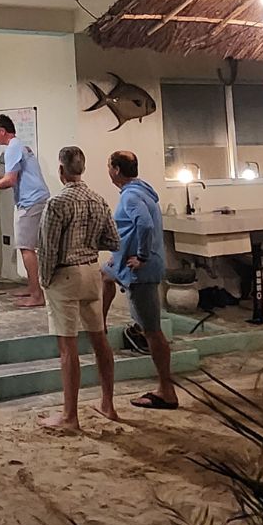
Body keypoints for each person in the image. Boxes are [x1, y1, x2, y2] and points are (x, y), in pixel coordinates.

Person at [37, 146, 120, 431]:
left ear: (61, 170)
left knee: (67, 346)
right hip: (91, 270)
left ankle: (70, 415)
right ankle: (108, 403)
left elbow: (47, 248)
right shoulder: (97, 199)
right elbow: (113, 240)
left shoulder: (57, 203)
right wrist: (87, 241)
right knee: (100, 339)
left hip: (66, 274)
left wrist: (43, 280)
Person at [102, 150, 177, 409]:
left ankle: (166, 390)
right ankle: (98, 325)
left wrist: (141, 257)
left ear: (116, 170)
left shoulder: (132, 196)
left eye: (109, 166)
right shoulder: (141, 190)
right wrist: (118, 254)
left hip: (141, 272)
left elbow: (143, 225)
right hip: (128, 264)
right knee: (104, 274)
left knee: (153, 332)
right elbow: (132, 229)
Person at [0, 114, 50, 307]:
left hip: (31, 201)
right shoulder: (20, 146)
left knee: (26, 247)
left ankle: (36, 294)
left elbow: (10, 180)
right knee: (28, 246)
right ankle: (32, 287)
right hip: (35, 199)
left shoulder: (13, 148)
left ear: (2, 131)